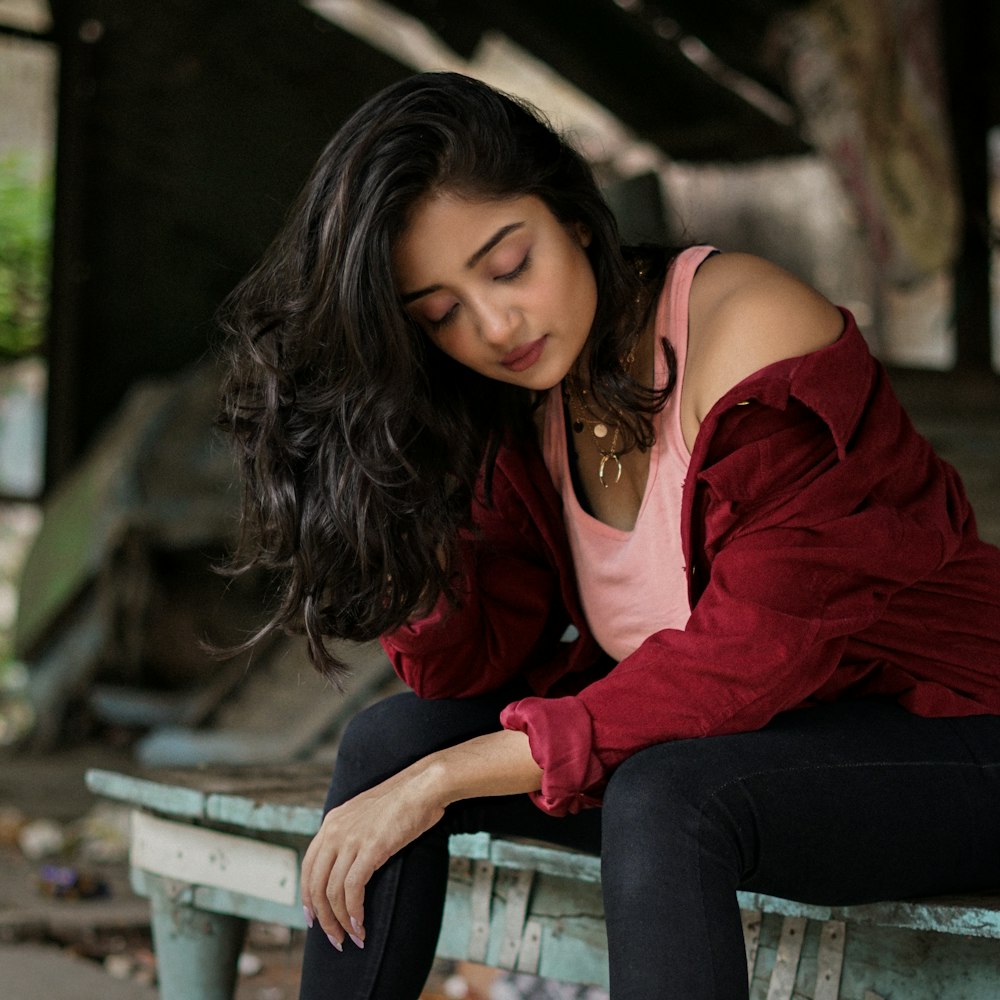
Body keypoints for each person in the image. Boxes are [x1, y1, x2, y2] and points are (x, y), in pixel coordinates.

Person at [217, 71, 1000, 1000]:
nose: (495, 325)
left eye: (509, 266)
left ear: (576, 217)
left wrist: (444, 781)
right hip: (751, 747)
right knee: (390, 742)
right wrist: (407, 493)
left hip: (953, 738)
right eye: (439, 314)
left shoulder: (750, 333)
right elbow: (472, 665)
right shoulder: (519, 404)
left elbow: (744, 663)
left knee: (665, 796)